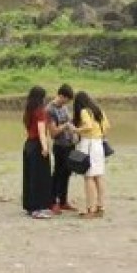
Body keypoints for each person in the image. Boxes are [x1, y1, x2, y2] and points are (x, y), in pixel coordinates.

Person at [72, 90, 110, 218]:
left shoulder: (84, 111)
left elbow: (88, 126)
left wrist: (76, 130)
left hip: (88, 145)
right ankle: (100, 207)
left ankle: (90, 209)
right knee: (98, 176)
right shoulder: (99, 110)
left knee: (88, 177)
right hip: (99, 144)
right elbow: (107, 127)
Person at [21, 86, 54, 219]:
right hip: (37, 145)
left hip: (28, 144)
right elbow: (41, 131)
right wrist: (45, 147)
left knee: (30, 176)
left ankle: (30, 206)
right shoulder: (40, 112)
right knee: (40, 177)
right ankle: (38, 208)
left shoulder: (28, 111)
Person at [46, 84, 78, 214]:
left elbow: (70, 123)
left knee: (67, 173)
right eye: (67, 100)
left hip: (70, 145)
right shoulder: (50, 110)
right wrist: (66, 126)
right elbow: (53, 133)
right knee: (58, 174)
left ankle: (63, 201)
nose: (67, 103)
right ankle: (52, 202)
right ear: (61, 96)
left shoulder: (64, 107)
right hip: (60, 147)